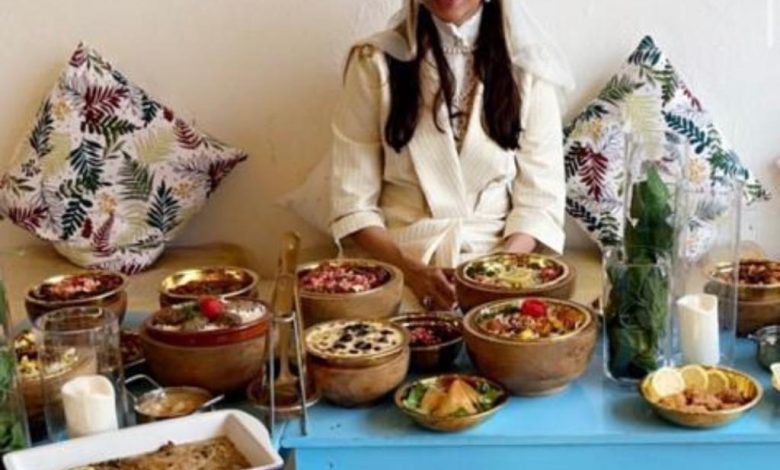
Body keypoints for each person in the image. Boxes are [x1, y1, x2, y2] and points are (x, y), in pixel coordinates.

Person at [330, 0, 574, 310]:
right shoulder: (373, 62)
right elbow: (352, 205)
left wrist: (494, 274)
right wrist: (411, 271)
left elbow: (540, 204)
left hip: (500, 266)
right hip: (398, 266)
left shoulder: (529, 68)